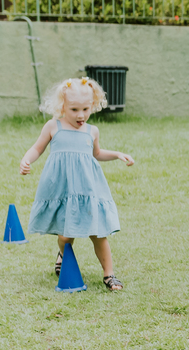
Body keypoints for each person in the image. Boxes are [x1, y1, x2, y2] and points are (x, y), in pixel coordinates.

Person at [20, 77, 134, 291]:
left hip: (88, 190)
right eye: (74, 109)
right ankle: (63, 255)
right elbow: (37, 149)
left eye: (85, 109)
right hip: (63, 190)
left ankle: (109, 275)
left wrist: (118, 154)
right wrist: (26, 159)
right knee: (65, 235)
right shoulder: (53, 126)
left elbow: (97, 154)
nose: (81, 115)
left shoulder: (92, 131)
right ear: (62, 106)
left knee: (99, 233)